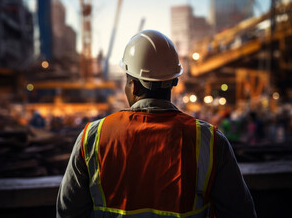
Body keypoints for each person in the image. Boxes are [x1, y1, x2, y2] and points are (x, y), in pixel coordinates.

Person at [57, 30, 257, 218]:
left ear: (133, 85)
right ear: (174, 82)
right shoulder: (210, 141)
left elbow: (68, 213)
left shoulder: (92, 137)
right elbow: (241, 212)